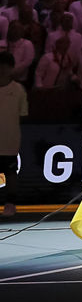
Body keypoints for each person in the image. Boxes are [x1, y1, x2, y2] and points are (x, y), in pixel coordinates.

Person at [0, 53, 23, 218]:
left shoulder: (18, 90)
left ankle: (10, 204)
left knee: (10, 173)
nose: (2, 70)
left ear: (11, 69)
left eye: (6, 66)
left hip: (10, 140)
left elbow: (23, 114)